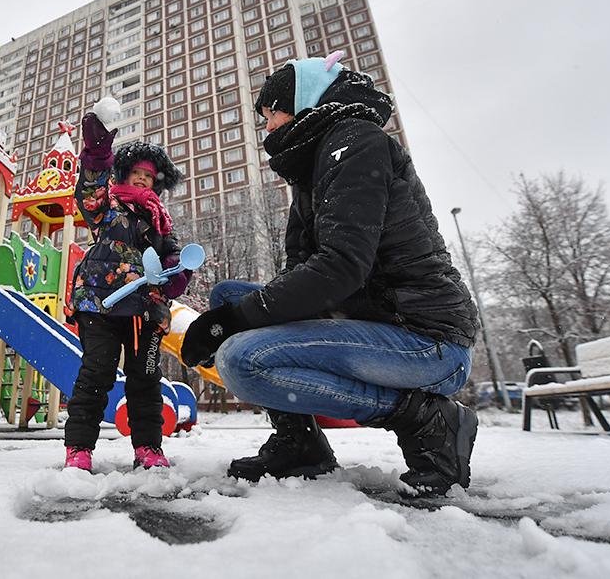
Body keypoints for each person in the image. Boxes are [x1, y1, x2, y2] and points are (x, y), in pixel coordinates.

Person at [181, 52, 480, 496]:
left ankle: (425, 419)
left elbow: (341, 267)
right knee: (229, 294)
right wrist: (233, 313)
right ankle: (300, 444)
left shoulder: (356, 142)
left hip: (426, 340)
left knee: (242, 359)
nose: (267, 128)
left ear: (302, 104)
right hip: (373, 324)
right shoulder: (314, 171)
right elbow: (300, 273)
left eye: (272, 114)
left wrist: (233, 324)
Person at [64, 98, 190, 472]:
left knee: (147, 380)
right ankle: (79, 449)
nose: (141, 179)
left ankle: (149, 448)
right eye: (135, 172)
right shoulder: (108, 207)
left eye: (149, 176)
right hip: (100, 305)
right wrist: (97, 154)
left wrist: (176, 274)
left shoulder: (161, 224)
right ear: (122, 174)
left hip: (146, 312)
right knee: (96, 373)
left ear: (156, 183)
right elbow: (90, 190)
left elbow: (177, 262)